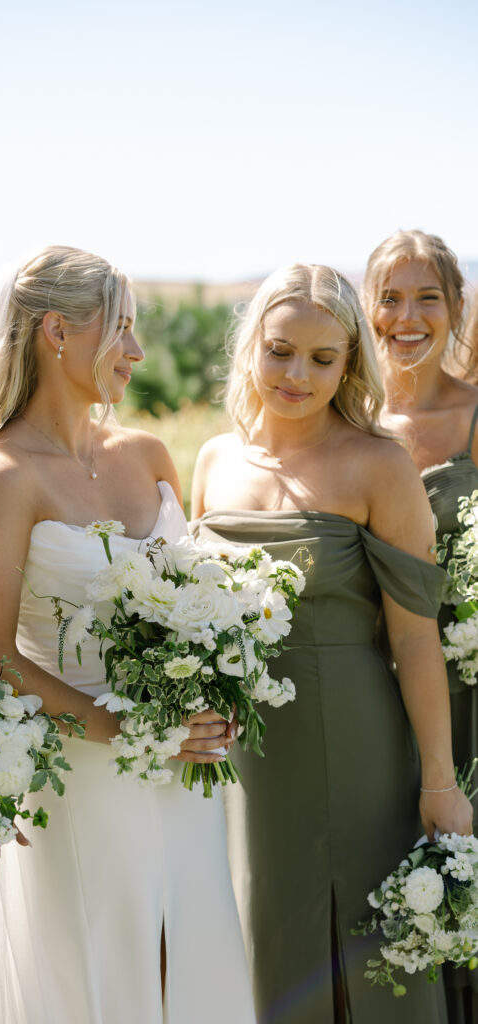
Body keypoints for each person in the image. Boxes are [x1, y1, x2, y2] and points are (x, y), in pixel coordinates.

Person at [0, 246, 255, 1024]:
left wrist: (225, 682)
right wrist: (132, 730)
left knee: (189, 956)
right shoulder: (3, 476)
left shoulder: (147, 454)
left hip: (188, 772)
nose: (139, 353)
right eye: (121, 330)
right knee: (106, 969)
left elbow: (195, 593)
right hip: (82, 767)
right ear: (57, 331)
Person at [190, 263, 473, 1024]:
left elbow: (415, 641)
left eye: (322, 358)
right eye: (280, 350)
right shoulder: (214, 461)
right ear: (252, 346)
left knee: (371, 953)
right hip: (241, 758)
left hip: (355, 740)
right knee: (264, 937)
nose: (297, 374)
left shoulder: (377, 464)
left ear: (350, 362)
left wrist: (439, 782)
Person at [363, 230, 478, 1024]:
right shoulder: (344, 414)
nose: (407, 318)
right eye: (390, 298)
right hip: (373, 692)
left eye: (426, 297)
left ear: (456, 309)